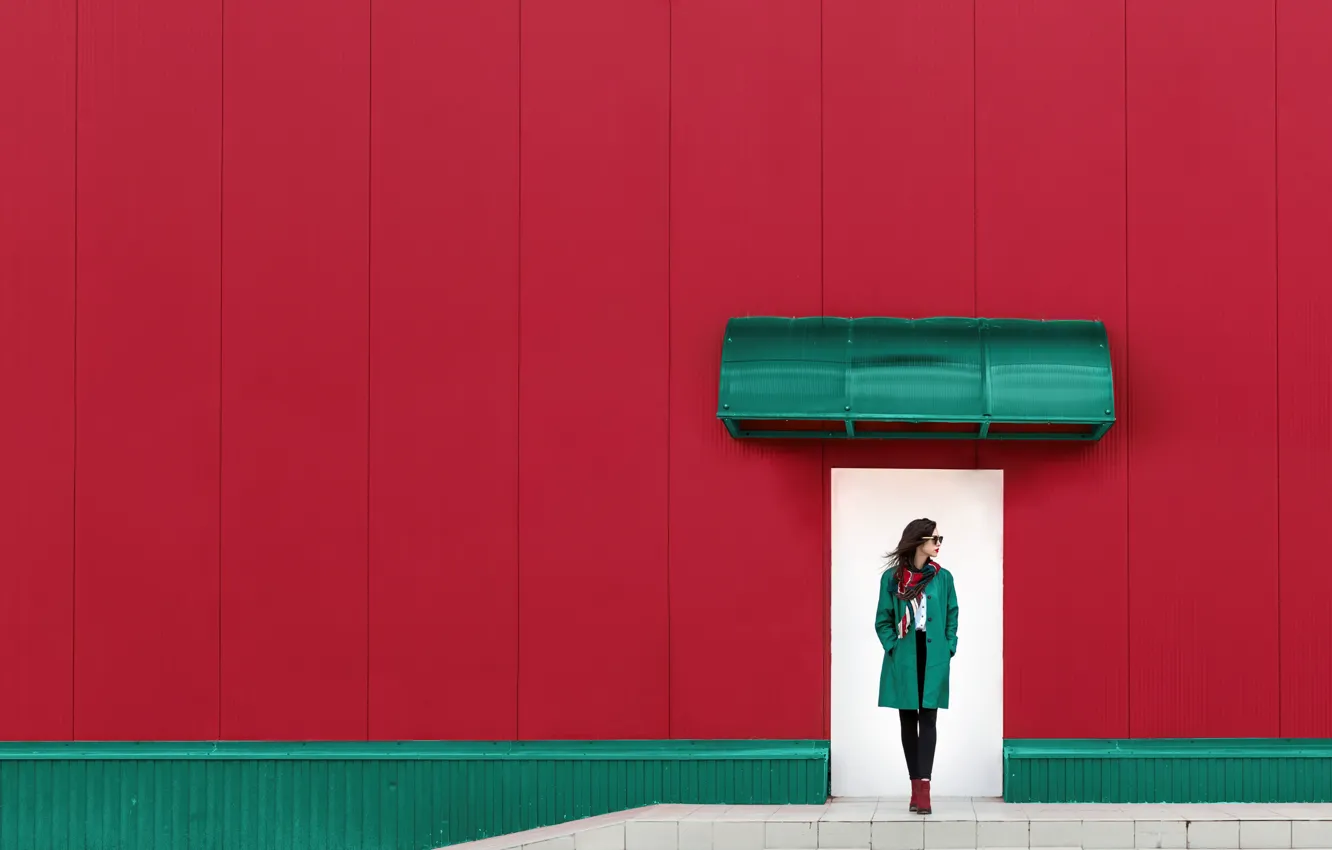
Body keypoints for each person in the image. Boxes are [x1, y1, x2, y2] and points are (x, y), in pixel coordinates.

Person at [874, 518, 959, 816]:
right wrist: (893, 647)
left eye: (940, 538)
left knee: (929, 719)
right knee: (908, 721)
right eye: (935, 538)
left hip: (933, 654)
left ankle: (925, 790)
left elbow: (952, 614)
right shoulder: (893, 579)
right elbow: (883, 620)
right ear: (919, 542)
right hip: (906, 655)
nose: (939, 544)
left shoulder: (943, 577)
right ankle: (914, 789)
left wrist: (949, 647)